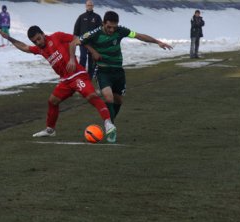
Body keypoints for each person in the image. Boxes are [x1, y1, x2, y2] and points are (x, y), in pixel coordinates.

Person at [0, 25, 116, 142]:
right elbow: (25, 47)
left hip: (77, 74)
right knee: (52, 101)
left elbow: (77, 39)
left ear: (43, 34)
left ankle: (108, 123)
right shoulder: (40, 49)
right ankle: (50, 130)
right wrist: (8, 38)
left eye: (39, 38)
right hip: (65, 80)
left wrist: (79, 56)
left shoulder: (57, 36)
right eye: (34, 41)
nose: (37, 42)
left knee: (91, 96)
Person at [68, 11, 172, 143]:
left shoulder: (121, 30)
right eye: (109, 27)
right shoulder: (94, 33)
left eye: (114, 27)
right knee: (108, 96)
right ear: (103, 23)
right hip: (102, 70)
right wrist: (73, 59)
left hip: (118, 71)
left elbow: (139, 36)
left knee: (118, 101)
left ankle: (110, 124)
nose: (112, 30)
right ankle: (109, 126)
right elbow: (73, 43)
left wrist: (157, 42)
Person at [73, 0, 102, 78]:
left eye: (91, 5)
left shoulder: (97, 17)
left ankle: (89, 77)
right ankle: (81, 75)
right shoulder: (81, 17)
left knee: (91, 61)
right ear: (86, 6)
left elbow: (101, 30)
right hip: (83, 42)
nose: (89, 6)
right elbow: (76, 29)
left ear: (93, 6)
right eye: (88, 5)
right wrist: (75, 39)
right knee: (83, 57)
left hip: (93, 43)